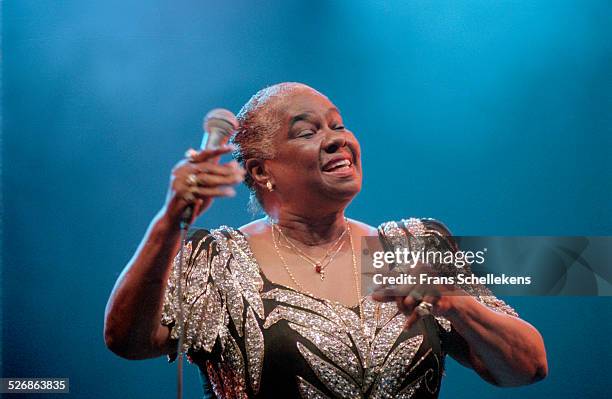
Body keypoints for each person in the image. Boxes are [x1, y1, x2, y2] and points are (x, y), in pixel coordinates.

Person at [104, 82, 548, 398]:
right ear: (262, 171)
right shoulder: (219, 259)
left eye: (337, 125)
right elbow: (129, 340)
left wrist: (457, 304)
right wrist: (168, 224)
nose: (337, 139)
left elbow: (528, 368)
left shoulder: (414, 246)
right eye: (307, 131)